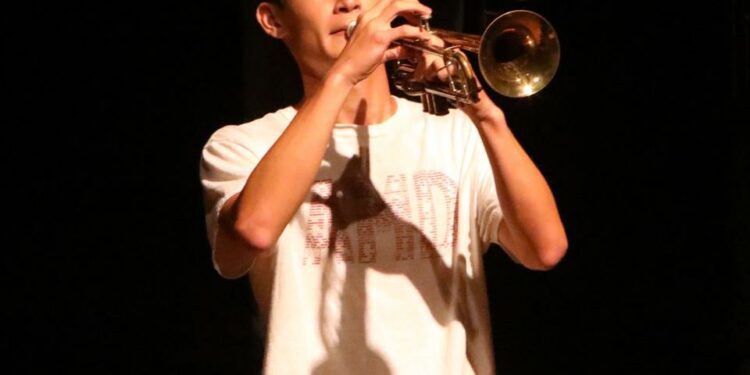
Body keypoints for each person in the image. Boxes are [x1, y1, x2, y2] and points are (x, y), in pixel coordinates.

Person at [199, 0, 568, 373]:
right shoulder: (243, 145)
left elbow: (544, 248)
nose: (348, 3)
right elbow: (253, 232)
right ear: (272, 20)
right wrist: (343, 75)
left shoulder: (456, 135)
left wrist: (485, 114)